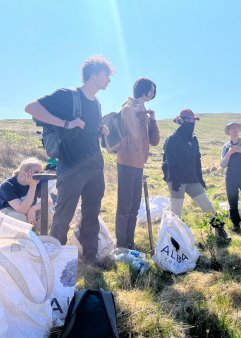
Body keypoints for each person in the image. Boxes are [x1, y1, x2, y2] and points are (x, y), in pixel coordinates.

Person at [25, 55, 114, 265]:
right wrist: (65, 123)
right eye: (106, 75)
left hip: (95, 167)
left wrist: (99, 130)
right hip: (72, 167)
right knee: (63, 217)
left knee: (91, 216)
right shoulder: (68, 95)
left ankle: (90, 261)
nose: (109, 80)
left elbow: (86, 130)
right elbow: (31, 108)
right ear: (93, 75)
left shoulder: (98, 104)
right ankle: (53, 263)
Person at [163, 109, 230, 244]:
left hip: (192, 179)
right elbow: (169, 161)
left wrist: (200, 179)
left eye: (193, 120)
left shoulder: (194, 140)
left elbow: (197, 160)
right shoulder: (173, 139)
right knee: (176, 212)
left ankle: (220, 232)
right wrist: (173, 179)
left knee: (207, 206)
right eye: (189, 120)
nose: (192, 122)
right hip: (177, 180)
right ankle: (173, 240)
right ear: (181, 121)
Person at [115, 77, 160, 249]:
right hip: (126, 161)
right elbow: (136, 133)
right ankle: (121, 244)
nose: (153, 93)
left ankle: (129, 241)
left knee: (134, 204)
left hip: (139, 163)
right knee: (125, 204)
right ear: (143, 89)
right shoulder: (128, 108)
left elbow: (154, 140)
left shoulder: (143, 111)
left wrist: (153, 119)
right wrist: (142, 115)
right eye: (152, 89)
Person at [0, 158, 45, 228]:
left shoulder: (37, 181)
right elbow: (22, 210)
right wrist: (32, 186)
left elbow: (48, 201)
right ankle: (16, 237)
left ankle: (34, 235)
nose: (39, 175)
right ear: (23, 172)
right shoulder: (7, 185)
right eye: (36, 172)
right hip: (6, 212)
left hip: (25, 210)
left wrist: (33, 209)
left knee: (47, 211)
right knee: (20, 217)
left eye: (41, 172)